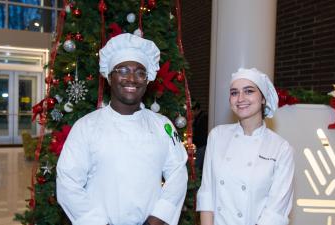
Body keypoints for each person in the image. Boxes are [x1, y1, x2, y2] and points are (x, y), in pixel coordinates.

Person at [56, 33, 188, 225]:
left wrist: (158, 218)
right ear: (110, 77)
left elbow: (178, 173)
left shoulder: (163, 125)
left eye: (140, 72)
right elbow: (68, 181)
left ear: (147, 78)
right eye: (123, 70)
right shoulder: (86, 126)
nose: (132, 79)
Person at [196, 68, 295, 225]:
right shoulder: (217, 136)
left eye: (249, 91)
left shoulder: (281, 148)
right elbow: (207, 193)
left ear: (263, 98)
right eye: (234, 93)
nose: (240, 98)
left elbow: (275, 212)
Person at [192, 101, 208, 170]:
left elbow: (201, 133)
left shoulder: (203, 118)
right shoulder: (199, 117)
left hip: (201, 145)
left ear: (196, 110)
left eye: (192, 111)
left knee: (197, 166)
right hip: (200, 145)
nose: (191, 113)